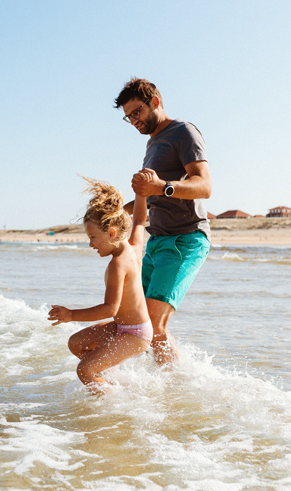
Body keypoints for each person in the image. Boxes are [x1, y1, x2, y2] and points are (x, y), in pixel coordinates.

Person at [114, 77, 212, 364]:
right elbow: (153, 195)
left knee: (155, 327)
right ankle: (155, 386)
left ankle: (176, 394)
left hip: (185, 239)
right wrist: (118, 212)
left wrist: (162, 186)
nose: (133, 121)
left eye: (136, 112)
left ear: (154, 102)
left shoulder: (184, 132)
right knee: (137, 325)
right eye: (127, 117)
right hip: (156, 242)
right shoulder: (153, 143)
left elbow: (204, 186)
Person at [48, 177, 151, 395]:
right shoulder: (133, 247)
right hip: (122, 327)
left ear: (111, 233)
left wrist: (70, 314)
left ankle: (116, 405)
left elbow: (109, 309)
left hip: (135, 334)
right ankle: (113, 382)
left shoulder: (118, 265)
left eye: (93, 237)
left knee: (84, 370)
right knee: (76, 343)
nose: (90, 244)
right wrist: (142, 194)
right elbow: (140, 220)